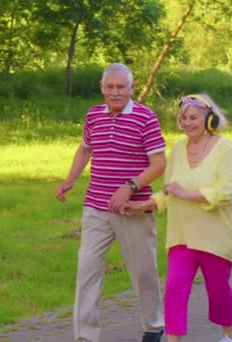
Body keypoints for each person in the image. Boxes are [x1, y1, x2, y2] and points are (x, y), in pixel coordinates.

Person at [56, 62, 166, 342]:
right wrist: (70, 180)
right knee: (87, 268)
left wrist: (129, 188)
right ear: (102, 88)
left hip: (134, 208)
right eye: (110, 87)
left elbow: (159, 163)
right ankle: (85, 336)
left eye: (121, 87)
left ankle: (154, 326)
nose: (115, 92)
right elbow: (85, 149)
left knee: (143, 271)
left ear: (131, 88)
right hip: (96, 206)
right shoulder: (93, 115)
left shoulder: (146, 117)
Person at [121, 94, 232, 342]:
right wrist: (144, 205)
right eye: (183, 117)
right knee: (175, 289)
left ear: (209, 119)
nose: (187, 122)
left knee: (218, 291)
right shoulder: (177, 149)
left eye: (193, 117)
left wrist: (186, 193)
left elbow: (226, 192)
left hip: (215, 235)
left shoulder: (224, 147)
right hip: (182, 235)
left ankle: (229, 335)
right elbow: (168, 191)